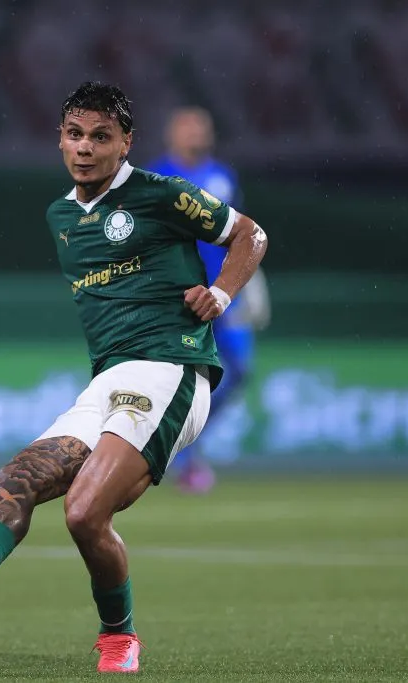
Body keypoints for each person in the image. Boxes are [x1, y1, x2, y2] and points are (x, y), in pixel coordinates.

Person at [0, 82, 268, 674]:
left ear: (125, 144)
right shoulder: (61, 216)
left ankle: (118, 638)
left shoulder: (161, 193)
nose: (85, 148)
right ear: (60, 139)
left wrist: (221, 293)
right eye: (74, 134)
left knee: (84, 511)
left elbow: (251, 234)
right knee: (13, 478)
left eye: (100, 137)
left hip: (172, 370)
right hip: (109, 381)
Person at [146, 107, 270, 494]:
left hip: (224, 291)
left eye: (201, 128)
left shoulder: (222, 177)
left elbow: (239, 234)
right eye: (188, 128)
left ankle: (185, 446)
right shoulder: (154, 177)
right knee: (175, 378)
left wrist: (251, 278)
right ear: (171, 133)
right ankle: (171, 455)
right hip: (179, 294)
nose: (196, 134)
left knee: (239, 370)